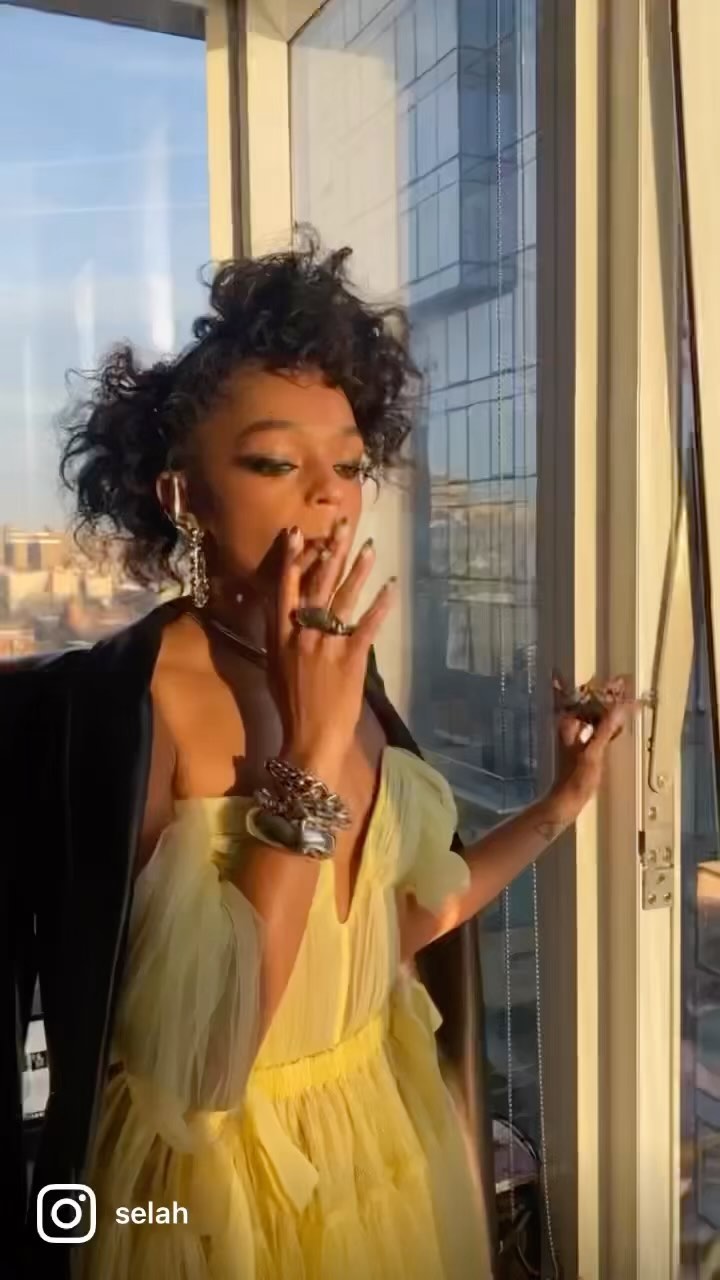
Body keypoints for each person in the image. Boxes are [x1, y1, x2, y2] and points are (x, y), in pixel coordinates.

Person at [2, 244, 628, 1280]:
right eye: (274, 463)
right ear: (182, 493)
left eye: (346, 464)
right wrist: (309, 749)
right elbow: (201, 1069)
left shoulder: (341, 665)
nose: (328, 499)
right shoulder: (135, 704)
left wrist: (562, 802)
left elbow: (389, 925)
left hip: (381, 1148)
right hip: (220, 1205)